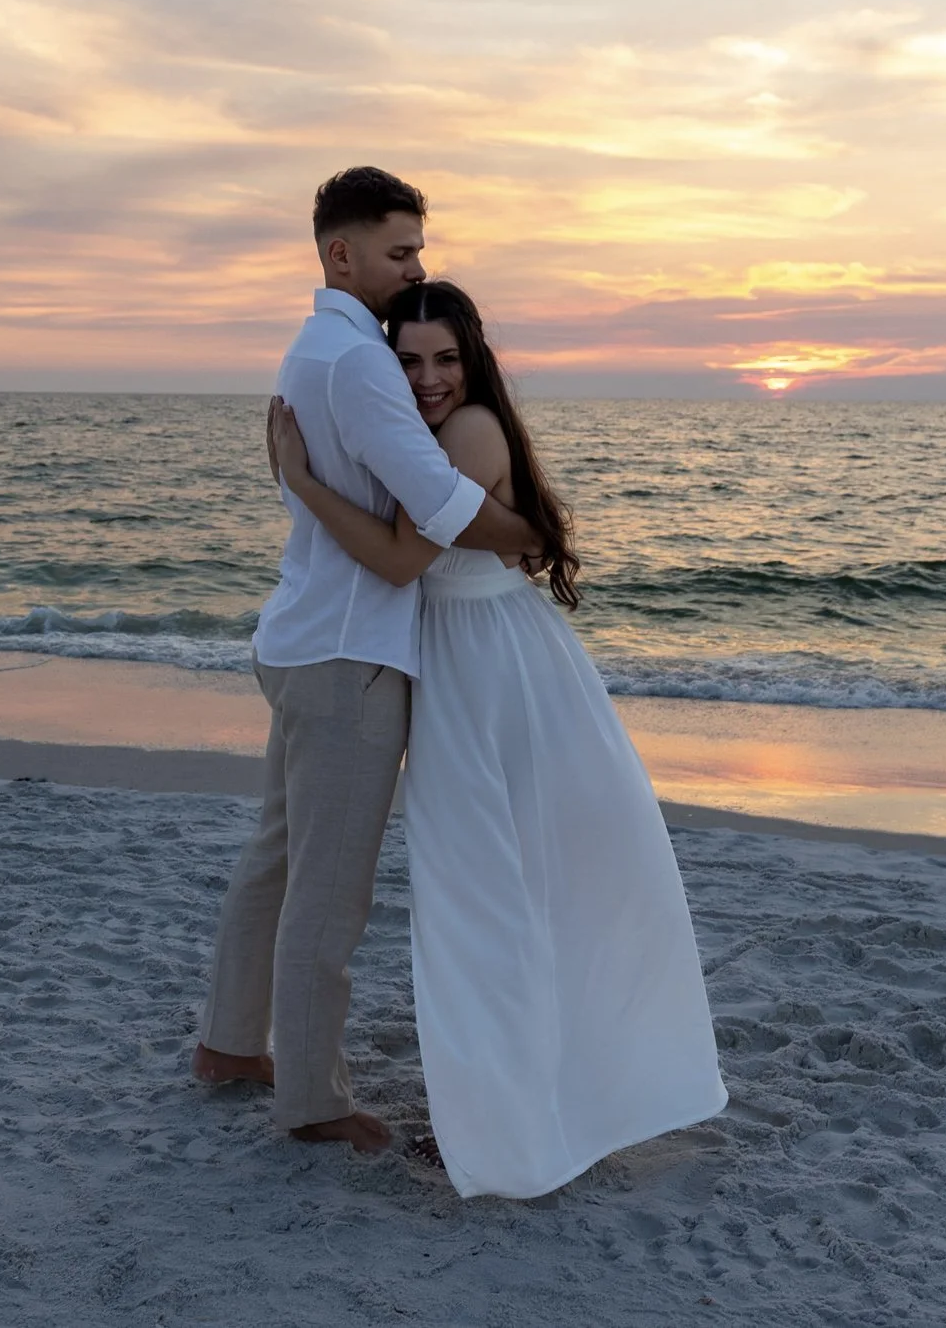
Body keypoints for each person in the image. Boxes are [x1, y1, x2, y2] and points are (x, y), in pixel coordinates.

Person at [267, 279, 726, 1199]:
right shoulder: (421, 442)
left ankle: (509, 1124)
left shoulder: (470, 431)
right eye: (410, 360)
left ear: (472, 362)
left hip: (497, 676)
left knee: (487, 896)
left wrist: (303, 481)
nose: (430, 378)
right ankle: (503, 1103)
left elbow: (402, 556)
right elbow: (480, 535)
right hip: (465, 672)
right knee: (484, 894)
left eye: (447, 358)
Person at [193, 167, 543, 1156]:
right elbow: (439, 503)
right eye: (399, 252)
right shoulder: (355, 363)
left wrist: (300, 483)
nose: (415, 269)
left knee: (276, 855)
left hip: (304, 637)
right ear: (339, 254)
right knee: (328, 885)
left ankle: (228, 1040)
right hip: (349, 655)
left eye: (418, 251)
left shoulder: (316, 349)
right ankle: (310, 1096)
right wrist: (538, 531)